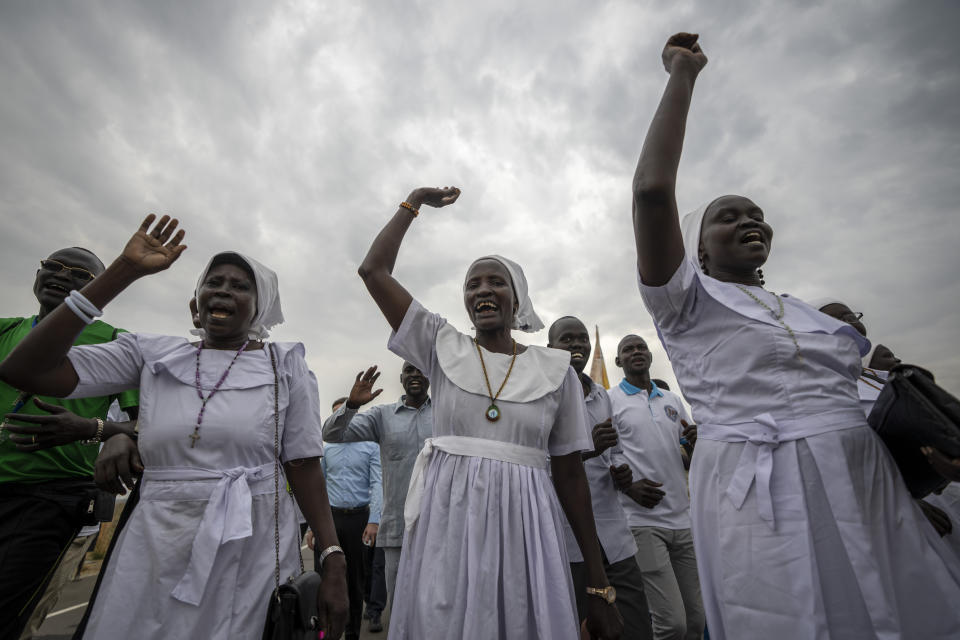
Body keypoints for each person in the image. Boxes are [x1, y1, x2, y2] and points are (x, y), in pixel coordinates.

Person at [629, 32, 960, 638]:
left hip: (866, 479)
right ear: (697, 249)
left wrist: (920, 470)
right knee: (792, 614)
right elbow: (651, 193)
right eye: (727, 216)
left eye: (756, 212)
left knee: (893, 609)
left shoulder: (807, 314)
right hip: (762, 488)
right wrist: (682, 74)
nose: (750, 220)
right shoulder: (686, 304)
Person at [0, 215, 348, 640]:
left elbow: (304, 465)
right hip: (155, 540)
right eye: (212, 282)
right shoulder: (150, 354)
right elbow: (25, 370)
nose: (222, 290)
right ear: (196, 299)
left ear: (261, 306)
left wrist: (333, 557)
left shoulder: (286, 365)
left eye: (240, 286)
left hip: (252, 540)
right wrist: (122, 272)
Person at [356, 186, 623, 639]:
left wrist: (598, 584)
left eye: (495, 282)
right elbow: (373, 270)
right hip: (449, 526)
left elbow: (571, 475)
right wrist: (412, 204)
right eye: (473, 284)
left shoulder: (554, 370)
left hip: (527, 529)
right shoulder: (441, 347)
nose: (483, 290)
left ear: (516, 299)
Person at [0, 247, 139, 640]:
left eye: (80, 274)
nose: (63, 276)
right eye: (54, 267)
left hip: (47, 500)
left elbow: (146, 427)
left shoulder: (115, 341)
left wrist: (93, 429)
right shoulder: (4, 329)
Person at [547, 316, 653, 640]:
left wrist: (623, 476)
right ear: (550, 348)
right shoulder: (543, 398)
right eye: (567, 339)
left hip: (615, 537)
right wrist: (587, 449)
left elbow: (615, 451)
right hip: (571, 545)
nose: (577, 344)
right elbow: (538, 466)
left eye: (582, 339)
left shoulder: (601, 396)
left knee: (636, 628)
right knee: (588, 630)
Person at [322, 360, 433, 623]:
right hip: (398, 528)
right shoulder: (382, 417)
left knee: (440, 604)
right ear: (401, 377)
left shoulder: (446, 414)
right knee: (401, 607)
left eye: (421, 369)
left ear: (431, 376)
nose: (415, 375)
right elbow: (332, 434)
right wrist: (352, 405)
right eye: (409, 370)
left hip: (441, 525)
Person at [609, 334, 702, 640]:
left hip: (683, 520)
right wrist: (629, 487)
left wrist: (696, 443)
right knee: (672, 624)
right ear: (618, 361)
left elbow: (688, 450)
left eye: (641, 347)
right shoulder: (610, 400)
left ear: (649, 356)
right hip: (642, 523)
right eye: (628, 349)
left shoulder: (672, 400)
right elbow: (602, 457)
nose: (636, 352)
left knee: (696, 621)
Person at [307, 396, 383, 640]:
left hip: (359, 521)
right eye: (336, 416)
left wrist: (374, 520)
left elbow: (378, 483)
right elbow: (319, 488)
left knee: (354, 580)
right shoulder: (326, 450)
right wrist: (311, 527)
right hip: (330, 520)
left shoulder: (371, 447)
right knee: (323, 577)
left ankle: (352, 634)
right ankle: (323, 631)